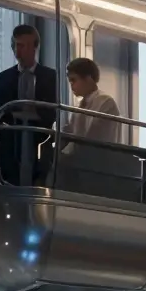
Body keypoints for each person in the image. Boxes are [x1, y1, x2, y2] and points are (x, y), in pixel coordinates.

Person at [0, 25, 58, 186]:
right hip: (10, 144)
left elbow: (52, 112)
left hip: (40, 142)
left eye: (22, 46)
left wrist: (30, 116)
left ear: (35, 47)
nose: (17, 51)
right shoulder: (4, 78)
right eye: (15, 46)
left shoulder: (50, 77)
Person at [58, 57, 135, 198]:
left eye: (74, 80)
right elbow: (70, 132)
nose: (72, 86)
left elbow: (94, 137)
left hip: (97, 165)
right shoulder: (79, 107)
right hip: (81, 164)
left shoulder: (105, 103)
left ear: (88, 78)